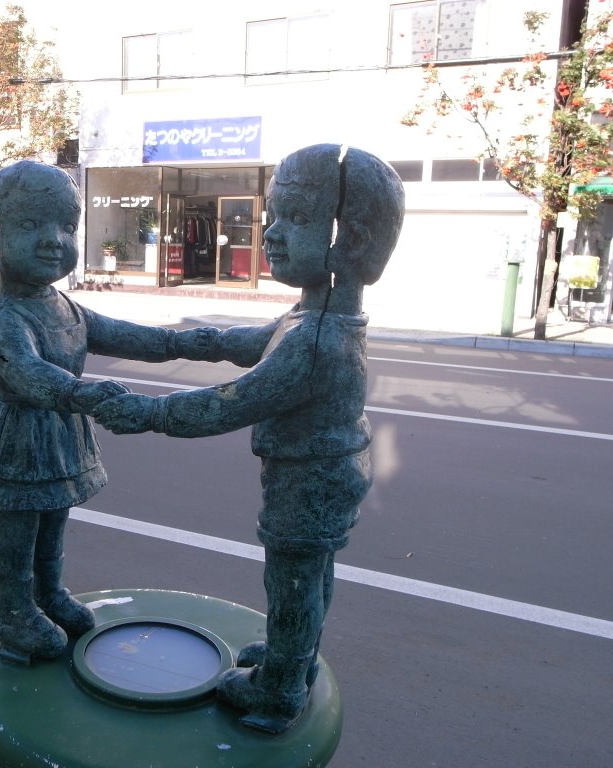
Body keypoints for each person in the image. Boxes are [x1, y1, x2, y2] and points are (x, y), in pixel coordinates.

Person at [94, 144, 405, 732]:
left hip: (310, 475)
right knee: (309, 577)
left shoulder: (317, 340)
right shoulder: (312, 314)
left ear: (352, 240)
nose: (271, 231)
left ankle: (280, 690)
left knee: (291, 582)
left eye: (294, 217)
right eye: (272, 213)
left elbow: (226, 405)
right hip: (324, 467)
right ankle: (295, 658)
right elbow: (245, 342)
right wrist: (178, 342)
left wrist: (144, 411)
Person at [0, 160, 219, 665]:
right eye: (29, 226)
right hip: (17, 437)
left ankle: (49, 593)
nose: (53, 239)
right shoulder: (5, 319)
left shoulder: (64, 306)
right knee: (16, 526)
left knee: (54, 519)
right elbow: (29, 375)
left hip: (59, 433)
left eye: (66, 227)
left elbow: (140, 338)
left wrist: (207, 343)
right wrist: (88, 395)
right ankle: (14, 612)